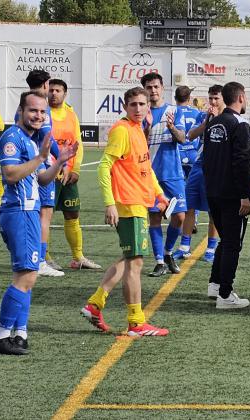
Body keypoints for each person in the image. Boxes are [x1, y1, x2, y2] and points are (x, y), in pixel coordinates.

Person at [0, 91, 77, 355]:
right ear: (21, 111)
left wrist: (58, 161)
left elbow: (42, 179)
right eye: (33, 111)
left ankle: (20, 333)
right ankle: (2, 334)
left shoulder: (30, 140)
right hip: (19, 212)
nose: (38, 116)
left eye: (42, 112)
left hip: (29, 212)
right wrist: (40, 158)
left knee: (29, 275)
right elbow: (11, 174)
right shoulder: (13, 137)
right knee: (26, 275)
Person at [81, 87, 172, 338]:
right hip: (128, 204)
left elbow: (145, 168)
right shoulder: (122, 130)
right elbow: (104, 166)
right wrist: (109, 203)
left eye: (142, 104)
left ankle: (95, 304)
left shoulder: (138, 129)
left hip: (138, 203)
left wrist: (159, 194)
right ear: (125, 106)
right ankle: (136, 322)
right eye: (134, 104)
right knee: (136, 262)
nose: (139, 109)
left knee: (130, 257)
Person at [200, 82, 250, 310]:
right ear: (241, 97)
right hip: (232, 195)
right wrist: (246, 195)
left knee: (225, 240)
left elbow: (206, 160)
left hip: (213, 191)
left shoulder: (213, 123)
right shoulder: (239, 124)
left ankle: (215, 283)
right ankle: (225, 294)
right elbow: (242, 162)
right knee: (233, 243)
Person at [47, 78, 101, 271]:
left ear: (65, 93)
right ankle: (43, 257)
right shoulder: (43, 114)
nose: (54, 93)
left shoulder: (71, 114)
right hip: (50, 173)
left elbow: (77, 142)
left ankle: (78, 257)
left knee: (72, 214)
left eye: (58, 90)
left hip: (69, 173)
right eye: (51, 90)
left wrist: (75, 168)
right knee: (44, 216)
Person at [140, 72, 189, 277]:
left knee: (179, 217)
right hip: (150, 175)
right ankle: (159, 261)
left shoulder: (173, 111)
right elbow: (139, 143)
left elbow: (182, 138)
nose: (153, 91)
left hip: (173, 174)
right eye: (149, 87)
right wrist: (148, 127)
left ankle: (168, 253)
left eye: (156, 87)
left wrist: (170, 127)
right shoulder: (140, 112)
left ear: (162, 88)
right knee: (155, 218)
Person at [20, 70, 64, 277]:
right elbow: (48, 138)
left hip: (28, 165)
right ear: (46, 84)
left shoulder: (24, 106)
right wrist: (63, 159)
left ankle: (30, 257)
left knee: (33, 214)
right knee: (44, 215)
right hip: (42, 166)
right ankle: (39, 261)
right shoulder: (40, 105)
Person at [176, 85, 218, 265]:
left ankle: (211, 249)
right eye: (211, 98)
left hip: (217, 169)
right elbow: (190, 135)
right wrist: (206, 122)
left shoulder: (229, 118)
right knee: (189, 206)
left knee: (213, 211)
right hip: (199, 166)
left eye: (216, 98)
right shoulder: (203, 116)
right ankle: (184, 247)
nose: (213, 102)